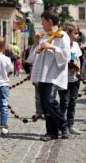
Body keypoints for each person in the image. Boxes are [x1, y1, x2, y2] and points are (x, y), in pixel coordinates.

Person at [30, 8, 71, 141]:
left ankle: (63, 126)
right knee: (45, 104)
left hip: (53, 74)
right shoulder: (44, 35)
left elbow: (66, 57)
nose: (41, 24)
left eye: (43, 21)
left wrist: (52, 47)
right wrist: (37, 43)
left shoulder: (62, 35)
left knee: (50, 101)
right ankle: (51, 132)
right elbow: (33, 57)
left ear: (49, 21)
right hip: (42, 74)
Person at [58, 22, 82, 135]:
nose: (77, 35)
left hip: (75, 78)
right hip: (64, 78)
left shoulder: (76, 45)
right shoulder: (63, 44)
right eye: (75, 33)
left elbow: (79, 58)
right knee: (64, 102)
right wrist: (68, 68)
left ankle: (70, 124)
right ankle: (62, 125)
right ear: (68, 34)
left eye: (78, 33)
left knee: (73, 102)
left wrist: (78, 69)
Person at [26, 32, 44, 121]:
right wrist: (36, 43)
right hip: (37, 74)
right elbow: (30, 59)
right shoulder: (37, 46)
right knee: (38, 96)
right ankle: (39, 112)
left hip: (46, 74)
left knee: (46, 96)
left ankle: (46, 112)